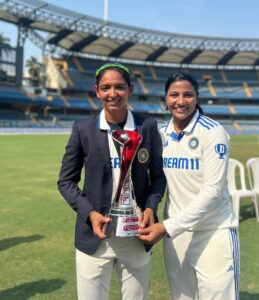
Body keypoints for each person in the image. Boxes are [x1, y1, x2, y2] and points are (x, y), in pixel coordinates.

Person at [57, 62, 166, 300]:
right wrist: (90, 214)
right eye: (106, 87)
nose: (112, 93)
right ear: (97, 91)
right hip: (94, 235)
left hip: (137, 234)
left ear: (130, 90)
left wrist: (150, 207)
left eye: (119, 87)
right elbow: (65, 181)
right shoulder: (83, 129)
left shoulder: (147, 126)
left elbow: (158, 177)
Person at [138, 71, 239, 300]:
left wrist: (167, 227)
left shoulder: (213, 132)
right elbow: (153, 178)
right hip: (176, 235)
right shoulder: (161, 134)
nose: (180, 101)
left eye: (188, 95)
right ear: (166, 98)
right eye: (174, 94)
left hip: (213, 231)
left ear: (197, 97)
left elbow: (213, 191)